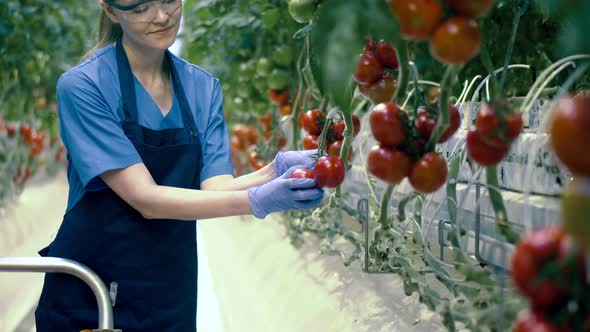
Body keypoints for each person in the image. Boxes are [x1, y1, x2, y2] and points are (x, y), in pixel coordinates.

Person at [33, 0, 324, 331]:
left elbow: (215, 187)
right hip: (92, 294)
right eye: (140, 8)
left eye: (169, 0)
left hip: (169, 290)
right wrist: (257, 200)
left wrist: (274, 171)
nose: (161, 16)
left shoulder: (202, 87)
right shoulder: (86, 86)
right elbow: (145, 198)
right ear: (111, 11)